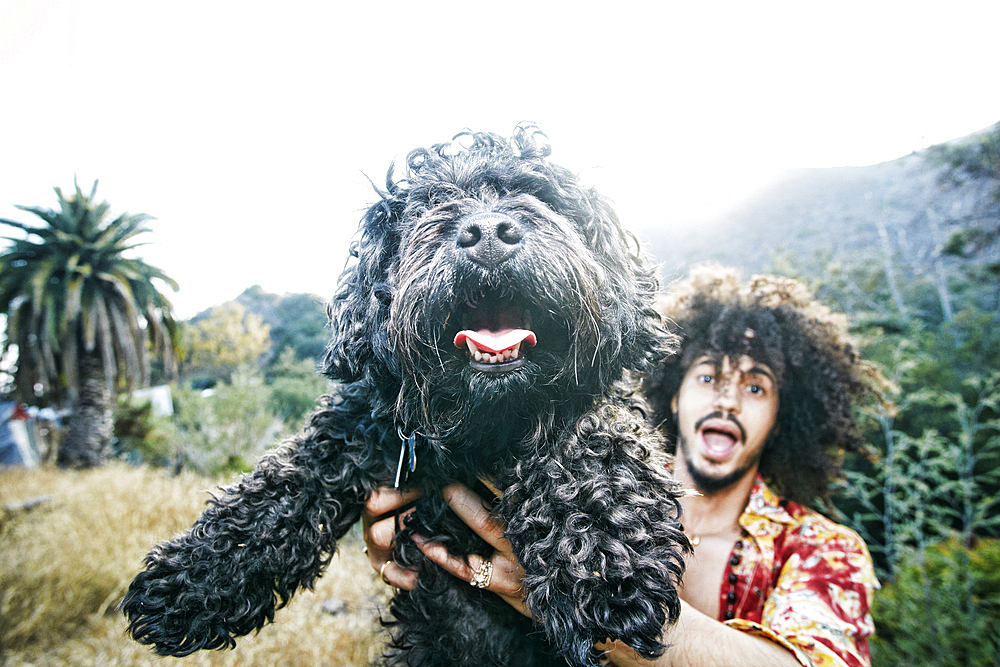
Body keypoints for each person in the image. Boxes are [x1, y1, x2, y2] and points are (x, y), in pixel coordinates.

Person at [363, 264, 887, 667]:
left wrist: (590, 607)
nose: (727, 400)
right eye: (708, 377)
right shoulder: (570, 482)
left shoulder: (822, 550)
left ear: (782, 416)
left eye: (755, 386)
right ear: (675, 393)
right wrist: (425, 546)